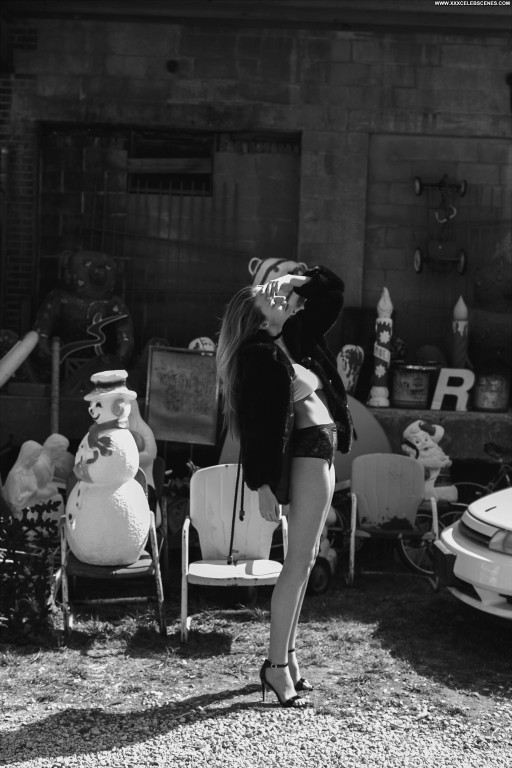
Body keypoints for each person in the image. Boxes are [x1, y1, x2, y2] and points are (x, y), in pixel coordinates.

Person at [216, 265, 353, 707]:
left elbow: (333, 294)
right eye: (269, 298)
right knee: (296, 565)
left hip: (322, 450)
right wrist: (261, 484)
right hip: (306, 454)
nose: (281, 299)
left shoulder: (294, 337)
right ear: (255, 317)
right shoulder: (257, 354)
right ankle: (275, 666)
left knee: (307, 560)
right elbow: (258, 426)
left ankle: (289, 658)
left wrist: (298, 282)